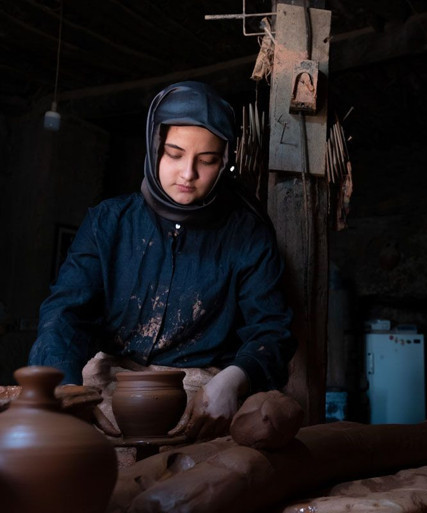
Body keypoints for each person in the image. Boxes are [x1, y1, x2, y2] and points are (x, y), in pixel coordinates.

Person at [29, 81, 296, 441]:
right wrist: (67, 388)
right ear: (154, 148)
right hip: (108, 384)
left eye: (208, 160)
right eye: (174, 153)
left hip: (203, 391)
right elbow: (63, 313)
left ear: (225, 162)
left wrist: (235, 379)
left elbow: (272, 331)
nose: (188, 174)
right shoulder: (108, 223)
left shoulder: (247, 236)